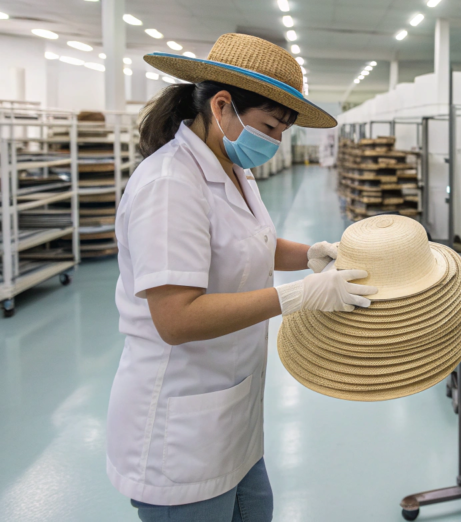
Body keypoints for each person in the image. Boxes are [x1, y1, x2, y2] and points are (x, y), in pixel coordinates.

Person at [106, 34, 373, 521]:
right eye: (270, 126)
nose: (274, 142)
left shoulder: (232, 168)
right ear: (221, 105)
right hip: (180, 428)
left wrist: (314, 254)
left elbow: (250, 243)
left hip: (233, 411)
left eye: (282, 131)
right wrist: (298, 296)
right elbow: (176, 319)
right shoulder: (169, 185)